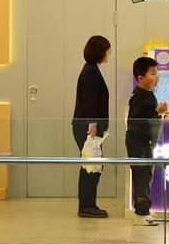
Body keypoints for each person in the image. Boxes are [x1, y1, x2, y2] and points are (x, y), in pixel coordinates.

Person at [71, 35, 111, 218]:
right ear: (100, 52)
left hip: (88, 126)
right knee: (91, 167)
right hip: (88, 127)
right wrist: (93, 125)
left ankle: (88, 203)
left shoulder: (92, 70)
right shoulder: (91, 73)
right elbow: (90, 102)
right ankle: (87, 205)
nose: (109, 53)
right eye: (107, 50)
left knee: (91, 165)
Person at [126, 57, 168, 226]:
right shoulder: (141, 96)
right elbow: (138, 120)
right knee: (142, 176)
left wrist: (157, 112)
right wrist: (157, 111)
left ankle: (145, 208)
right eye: (152, 73)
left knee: (146, 174)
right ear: (140, 78)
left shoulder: (145, 94)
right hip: (139, 142)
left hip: (144, 141)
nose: (157, 77)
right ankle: (141, 212)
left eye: (156, 73)